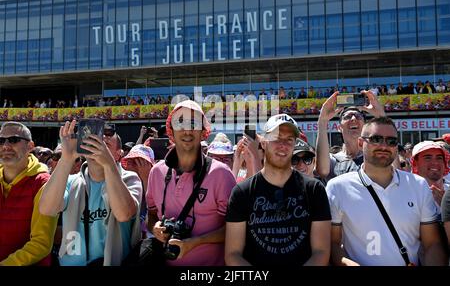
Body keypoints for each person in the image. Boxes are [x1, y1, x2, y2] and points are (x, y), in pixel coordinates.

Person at [326, 116, 447, 266]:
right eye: (376, 139)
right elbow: (332, 243)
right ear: (360, 142)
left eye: (391, 141)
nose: (384, 146)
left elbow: (432, 244)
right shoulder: (337, 187)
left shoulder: (418, 185)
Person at [225, 114, 331, 266]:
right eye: (277, 138)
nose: (283, 145)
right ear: (264, 142)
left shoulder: (314, 189)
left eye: (289, 140)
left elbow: (321, 252)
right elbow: (233, 254)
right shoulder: (242, 192)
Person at [39, 121, 142, 266]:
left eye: (106, 137)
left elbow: (124, 214)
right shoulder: (70, 181)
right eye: (93, 137)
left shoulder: (130, 179)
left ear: (119, 154)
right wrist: (67, 158)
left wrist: (108, 163)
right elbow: (46, 209)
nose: (99, 140)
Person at [146, 100, 236, 266]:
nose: (187, 129)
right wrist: (155, 227)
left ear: (203, 132)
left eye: (193, 123)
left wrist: (195, 242)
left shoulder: (221, 174)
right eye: (180, 122)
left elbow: (235, 229)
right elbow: (150, 216)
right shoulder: (156, 172)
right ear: (171, 130)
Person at [0, 122, 58, 265]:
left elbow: (41, 243)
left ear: (30, 146)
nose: (5, 146)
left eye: (13, 140)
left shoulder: (43, 183)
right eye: (1, 141)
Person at [316, 91, 385, 183]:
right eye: (347, 117)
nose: (353, 119)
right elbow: (322, 171)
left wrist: (381, 116)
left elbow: (395, 168)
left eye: (358, 116)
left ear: (365, 126)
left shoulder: (375, 157)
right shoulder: (332, 160)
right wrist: (322, 121)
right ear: (339, 128)